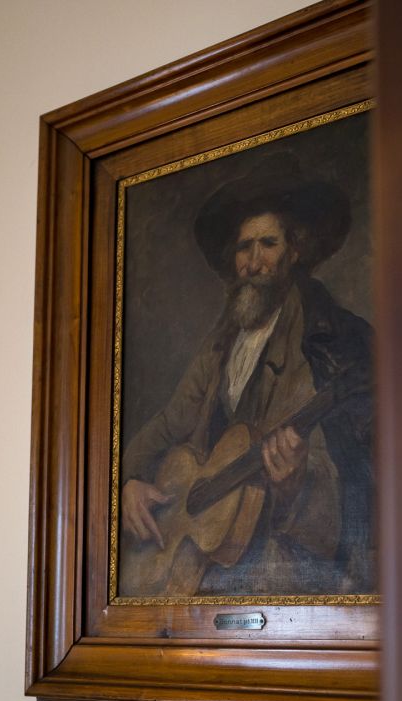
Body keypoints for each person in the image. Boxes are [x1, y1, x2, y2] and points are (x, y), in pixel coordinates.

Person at [119, 154, 374, 597]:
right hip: (204, 549)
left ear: (294, 250)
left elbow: (360, 478)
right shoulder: (221, 342)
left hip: (284, 562)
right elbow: (169, 423)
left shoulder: (330, 341)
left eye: (268, 244)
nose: (254, 263)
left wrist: (296, 486)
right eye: (244, 247)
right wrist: (127, 480)